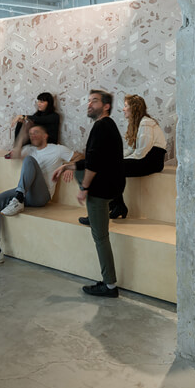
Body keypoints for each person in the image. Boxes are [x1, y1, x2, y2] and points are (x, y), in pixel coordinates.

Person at [0, 124, 80, 266]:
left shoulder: (57, 149)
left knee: (29, 160)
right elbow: (13, 156)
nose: (32, 135)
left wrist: (69, 167)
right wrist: (22, 135)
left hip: (42, 196)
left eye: (36, 132)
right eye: (30, 134)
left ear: (45, 136)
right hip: (24, 193)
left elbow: (81, 156)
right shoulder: (28, 149)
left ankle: (18, 199)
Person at [52, 89, 125, 298]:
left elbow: (93, 164)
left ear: (106, 106)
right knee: (78, 168)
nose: (89, 104)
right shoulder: (107, 125)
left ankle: (109, 286)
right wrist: (66, 166)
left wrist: (84, 188)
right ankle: (98, 213)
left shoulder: (101, 126)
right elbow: (93, 159)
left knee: (100, 237)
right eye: (89, 101)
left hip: (101, 190)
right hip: (112, 187)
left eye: (95, 101)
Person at [79, 94, 166, 224]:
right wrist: (115, 158)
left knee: (112, 168)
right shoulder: (135, 123)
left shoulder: (146, 123)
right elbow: (130, 150)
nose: (123, 109)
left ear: (134, 108)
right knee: (110, 166)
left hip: (152, 161)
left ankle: (109, 209)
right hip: (144, 159)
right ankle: (117, 206)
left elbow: (141, 153)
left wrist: (116, 161)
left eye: (126, 106)